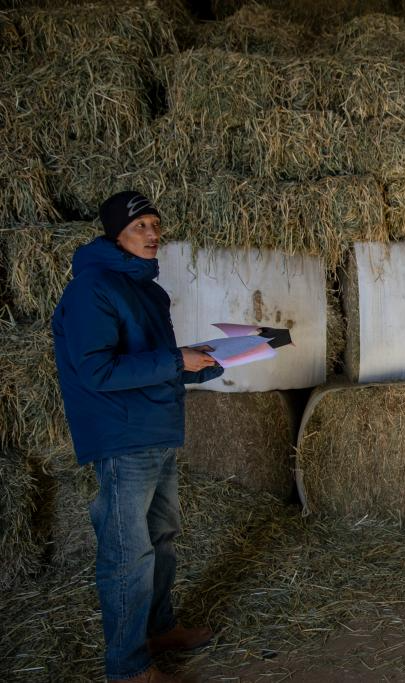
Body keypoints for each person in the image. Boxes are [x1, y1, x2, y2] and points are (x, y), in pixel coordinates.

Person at [52, 191, 224, 683]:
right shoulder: (92, 289)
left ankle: (157, 629)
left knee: (161, 537)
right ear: (115, 235)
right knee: (128, 553)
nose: (153, 234)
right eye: (139, 227)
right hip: (122, 435)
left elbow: (151, 363)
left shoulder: (148, 290)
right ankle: (128, 668)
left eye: (155, 224)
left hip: (157, 428)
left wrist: (206, 363)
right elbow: (97, 371)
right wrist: (175, 360)